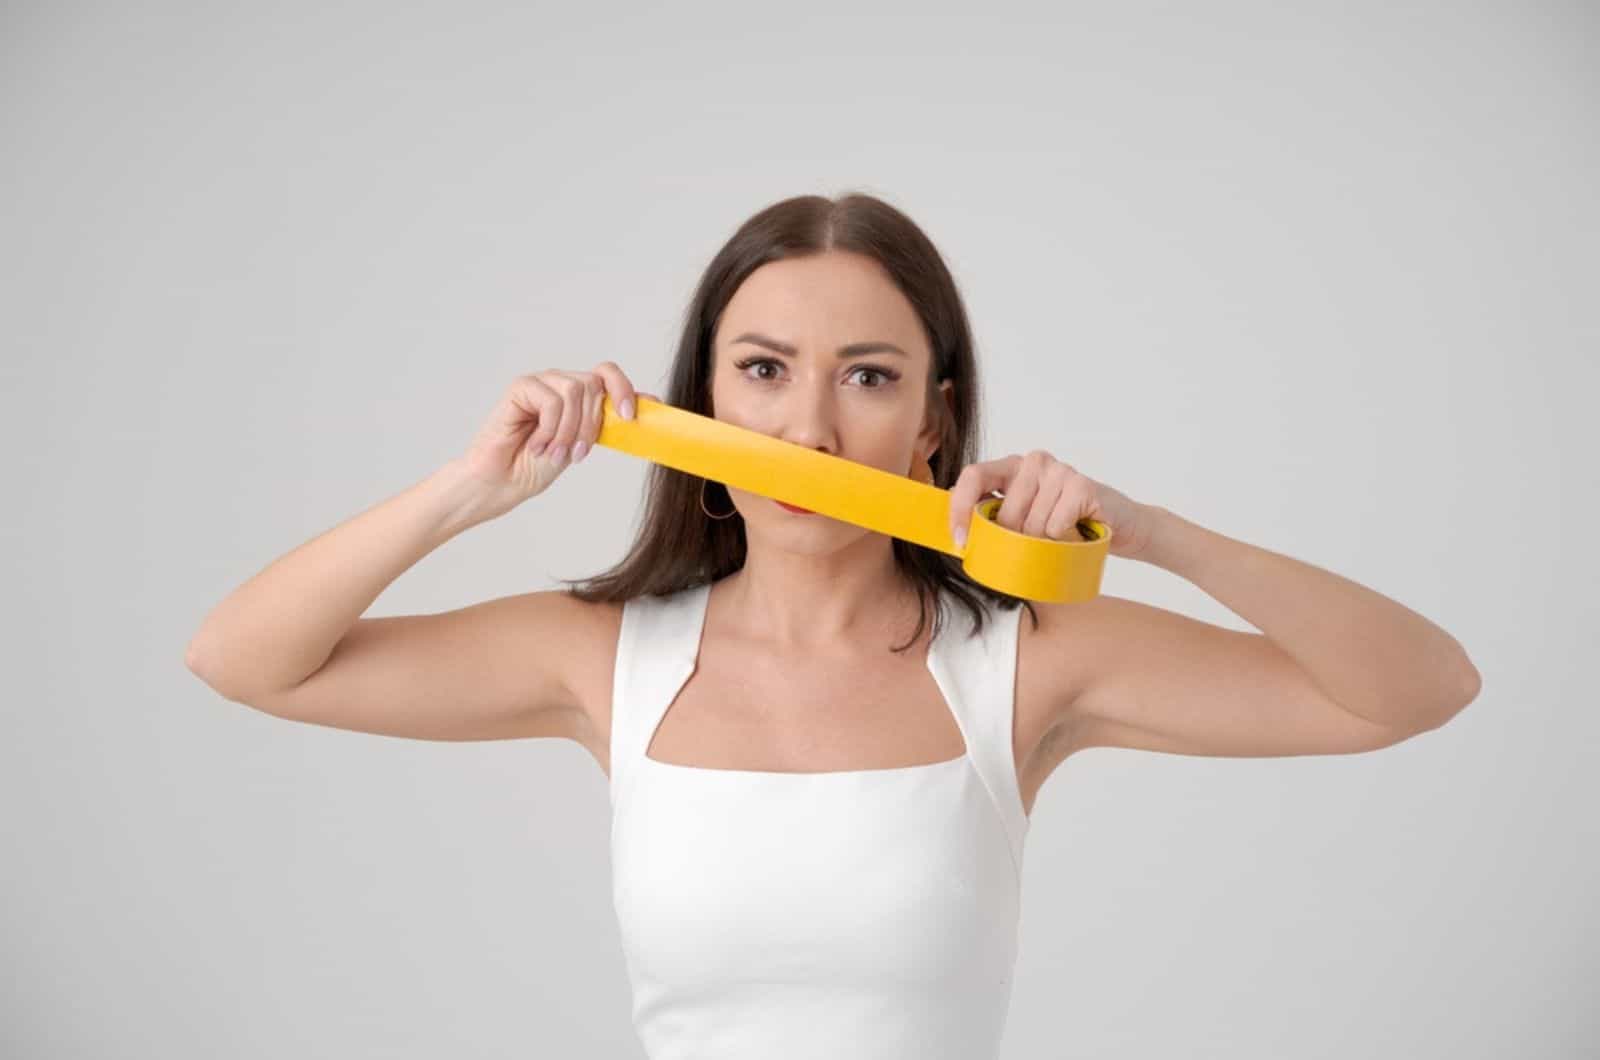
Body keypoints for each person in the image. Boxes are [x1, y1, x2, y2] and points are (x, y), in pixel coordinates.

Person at [186, 192, 1480, 1059]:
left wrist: (1150, 535)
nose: (808, 432)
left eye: (867, 377)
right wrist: (469, 490)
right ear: (698, 405)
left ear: (931, 423)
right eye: (761, 373)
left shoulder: (1027, 666)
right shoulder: (600, 658)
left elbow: (1419, 689)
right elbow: (241, 660)